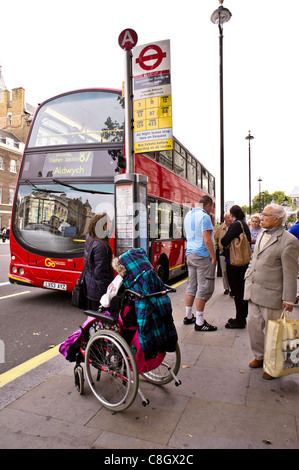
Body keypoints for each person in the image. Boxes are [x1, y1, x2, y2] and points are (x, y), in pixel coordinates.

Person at [244, 204, 299, 379]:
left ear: (277, 219)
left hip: (273, 294)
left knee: (273, 332)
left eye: (265, 215)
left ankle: (273, 364)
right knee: (253, 327)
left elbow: (290, 273)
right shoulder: (261, 234)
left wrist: (289, 299)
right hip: (254, 291)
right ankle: (259, 357)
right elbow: (255, 259)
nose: (262, 217)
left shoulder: (289, 241)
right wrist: (248, 276)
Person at [183, 195, 217, 332]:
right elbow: (207, 238)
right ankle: (200, 322)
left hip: (190, 254)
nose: (211, 210)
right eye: (212, 207)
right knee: (203, 287)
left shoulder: (188, 215)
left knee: (192, 285)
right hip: (202, 255)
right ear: (208, 205)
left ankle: (188, 316)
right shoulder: (205, 217)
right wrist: (213, 256)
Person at [221, 205, 251, 329]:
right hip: (243, 262)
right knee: (241, 290)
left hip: (235, 263)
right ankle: (242, 317)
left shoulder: (236, 225)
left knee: (237, 291)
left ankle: (240, 320)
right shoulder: (243, 224)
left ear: (233, 214)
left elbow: (224, 241)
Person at [84, 213, 114, 310]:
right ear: (104, 226)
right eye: (109, 222)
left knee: (92, 318)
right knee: (99, 320)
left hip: (90, 287)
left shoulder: (90, 237)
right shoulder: (101, 245)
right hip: (97, 292)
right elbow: (101, 274)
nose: (111, 225)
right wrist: (106, 294)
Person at [214, 212, 232, 294]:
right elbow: (215, 239)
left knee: (232, 271)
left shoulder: (233, 227)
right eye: (228, 217)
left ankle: (232, 289)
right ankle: (226, 288)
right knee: (224, 271)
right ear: (224, 219)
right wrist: (214, 250)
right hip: (223, 252)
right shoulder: (220, 228)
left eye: (230, 217)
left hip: (233, 252)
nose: (230, 219)